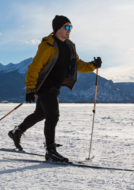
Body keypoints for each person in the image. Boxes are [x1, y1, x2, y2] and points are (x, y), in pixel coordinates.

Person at [7, 15, 102, 163]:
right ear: (58, 28)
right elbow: (34, 68)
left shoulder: (70, 46)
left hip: (55, 87)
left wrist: (92, 65)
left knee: (40, 114)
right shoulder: (48, 46)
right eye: (67, 27)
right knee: (53, 116)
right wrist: (30, 89)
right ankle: (50, 151)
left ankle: (17, 132)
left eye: (71, 27)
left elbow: (78, 65)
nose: (70, 30)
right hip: (45, 85)